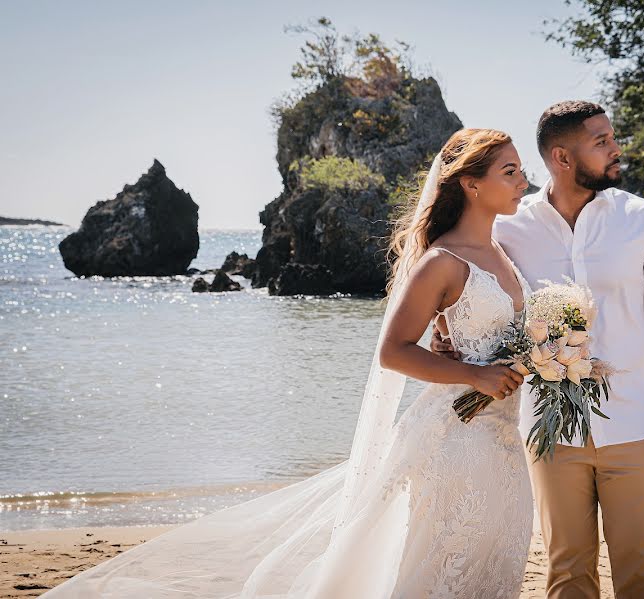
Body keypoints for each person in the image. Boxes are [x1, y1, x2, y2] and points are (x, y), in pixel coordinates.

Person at [42, 128, 536, 598]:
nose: (523, 181)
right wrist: (474, 374)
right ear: (471, 184)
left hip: (505, 439)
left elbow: (482, 334)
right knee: (448, 565)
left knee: (498, 564)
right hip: (458, 442)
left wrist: (555, 356)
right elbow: (393, 351)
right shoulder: (443, 261)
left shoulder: (504, 253)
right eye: (510, 171)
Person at [433, 101, 644, 598]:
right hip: (549, 430)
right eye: (601, 142)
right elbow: (470, 283)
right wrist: (448, 331)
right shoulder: (508, 227)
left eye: (611, 138)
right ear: (561, 156)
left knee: (642, 574)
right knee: (566, 576)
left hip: (637, 426)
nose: (615, 149)